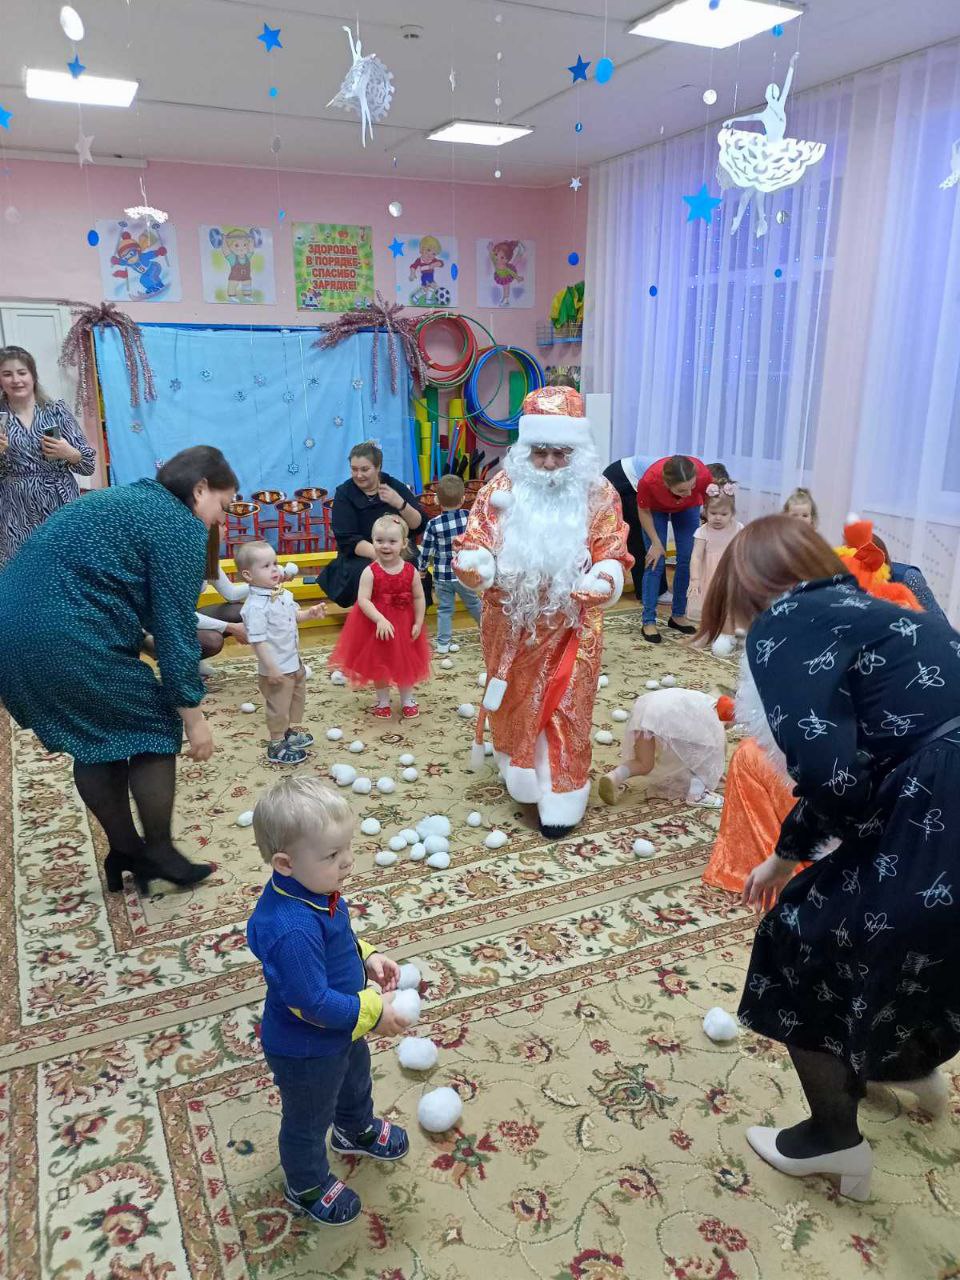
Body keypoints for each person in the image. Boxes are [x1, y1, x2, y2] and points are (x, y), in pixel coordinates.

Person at [698, 515, 960, 1200]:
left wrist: (792, 854)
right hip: (941, 790)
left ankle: (833, 1142)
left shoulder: (784, 623)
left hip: (938, 799)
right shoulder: (873, 607)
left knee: (799, 940)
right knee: (914, 937)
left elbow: (834, 775)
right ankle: (905, 1064)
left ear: (745, 583)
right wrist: (792, 852)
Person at [0, 446, 239, 893]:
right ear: (200, 489)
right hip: (63, 635)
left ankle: (127, 851)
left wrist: (140, 642)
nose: (219, 520)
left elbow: (107, 591)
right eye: (222, 506)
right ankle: (159, 852)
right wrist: (193, 717)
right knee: (153, 720)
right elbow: (173, 628)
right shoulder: (180, 523)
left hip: (11, 633)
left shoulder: (131, 499)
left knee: (96, 738)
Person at [702, 517, 921, 898]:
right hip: (914, 776)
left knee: (751, 759)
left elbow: (830, 769)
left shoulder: (798, 631)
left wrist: (785, 857)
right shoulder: (881, 611)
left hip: (907, 785)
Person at [454, 385, 632, 839]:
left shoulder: (599, 493)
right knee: (516, 702)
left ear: (578, 452)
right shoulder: (500, 489)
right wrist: (477, 566)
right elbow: (476, 543)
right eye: (540, 453)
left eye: (561, 453)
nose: (550, 464)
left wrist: (606, 577)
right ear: (525, 449)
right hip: (511, 625)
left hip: (574, 625)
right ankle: (519, 769)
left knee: (567, 708)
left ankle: (561, 792)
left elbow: (612, 549)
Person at [246, 776, 411, 1227]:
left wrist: (367, 956)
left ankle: (353, 1128)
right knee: (307, 1116)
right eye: (333, 855)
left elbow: (338, 940)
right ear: (285, 863)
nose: (348, 861)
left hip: (343, 1026)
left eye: (347, 848)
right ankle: (306, 1183)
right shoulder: (291, 928)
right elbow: (313, 1003)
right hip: (306, 1049)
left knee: (354, 1078)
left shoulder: (314, 890)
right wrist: (373, 1013)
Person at [0, 345, 97, 565]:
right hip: (16, 508)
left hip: (59, 503)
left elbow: (88, 465)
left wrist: (70, 453)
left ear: (33, 376)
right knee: (22, 569)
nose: (16, 380)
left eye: (22, 372)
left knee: (66, 565)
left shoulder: (56, 411)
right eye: (7, 374)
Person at [328, 515, 430, 719]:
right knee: (380, 663)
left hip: (404, 624)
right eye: (379, 540)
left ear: (403, 543)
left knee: (405, 662)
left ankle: (407, 699)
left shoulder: (410, 571)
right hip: (377, 626)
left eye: (392, 541)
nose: (385, 546)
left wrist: (419, 621)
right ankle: (383, 701)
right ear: (372, 541)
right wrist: (380, 619)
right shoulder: (370, 571)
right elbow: (363, 600)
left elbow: (419, 597)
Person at [237, 541, 326, 765]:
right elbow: (257, 641)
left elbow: (295, 616)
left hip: (292, 660)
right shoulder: (255, 607)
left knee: (294, 699)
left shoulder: (282, 594)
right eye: (266, 566)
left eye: (275, 563)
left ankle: (287, 732)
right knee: (278, 706)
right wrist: (271, 667)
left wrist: (310, 614)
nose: (275, 569)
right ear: (248, 575)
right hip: (276, 667)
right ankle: (276, 744)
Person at [315, 442, 423, 608]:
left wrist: (400, 503)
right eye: (354, 469)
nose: (358, 475)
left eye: (365, 469)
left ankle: (406, 613)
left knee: (412, 568)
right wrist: (383, 556)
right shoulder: (344, 493)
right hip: (360, 554)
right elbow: (348, 539)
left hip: (398, 550)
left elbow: (418, 524)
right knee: (367, 572)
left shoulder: (394, 486)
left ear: (378, 467)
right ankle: (370, 613)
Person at [599, 689, 735, 807]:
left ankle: (614, 777)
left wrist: (716, 773)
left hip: (646, 706)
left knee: (644, 763)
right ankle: (697, 795)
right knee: (705, 753)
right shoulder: (713, 721)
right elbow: (710, 753)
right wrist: (709, 775)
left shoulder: (701, 702)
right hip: (665, 714)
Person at [636, 454, 713, 643]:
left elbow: (708, 501)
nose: (688, 492)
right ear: (666, 484)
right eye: (681, 490)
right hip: (655, 510)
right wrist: (656, 543)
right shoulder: (650, 481)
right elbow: (643, 511)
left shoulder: (702, 474)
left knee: (688, 559)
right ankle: (648, 621)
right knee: (656, 561)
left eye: (692, 487)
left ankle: (678, 615)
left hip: (688, 509)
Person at [417, 473, 481, 653]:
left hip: (442, 576)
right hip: (464, 573)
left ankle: (443, 644)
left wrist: (422, 569)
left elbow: (426, 550)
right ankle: (487, 632)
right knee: (474, 604)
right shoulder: (468, 517)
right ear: (463, 499)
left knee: (445, 609)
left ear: (437, 500)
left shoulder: (433, 524)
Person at [687, 484, 743, 625]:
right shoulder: (702, 531)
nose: (718, 518)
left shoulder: (738, 528)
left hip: (731, 573)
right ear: (705, 511)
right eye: (713, 513)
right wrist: (695, 579)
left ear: (732, 513)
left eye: (724, 514)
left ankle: (727, 628)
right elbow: (696, 557)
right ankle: (710, 628)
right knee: (710, 606)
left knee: (730, 606)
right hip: (709, 575)